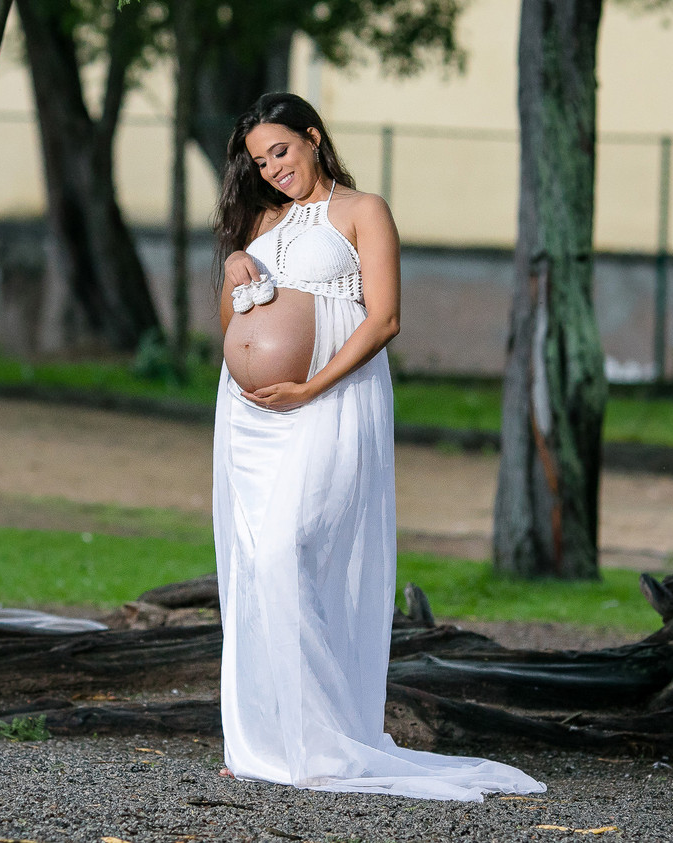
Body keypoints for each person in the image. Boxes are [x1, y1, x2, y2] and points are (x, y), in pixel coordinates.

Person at [211, 92, 545, 802]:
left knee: (286, 554)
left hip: (329, 400)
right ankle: (264, 737)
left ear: (313, 137)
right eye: (260, 161)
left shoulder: (364, 210)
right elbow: (233, 321)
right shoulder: (260, 221)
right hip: (251, 420)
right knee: (253, 564)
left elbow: (385, 318)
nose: (272, 169)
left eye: (281, 151)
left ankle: (324, 737)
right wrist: (236, 267)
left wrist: (309, 386)